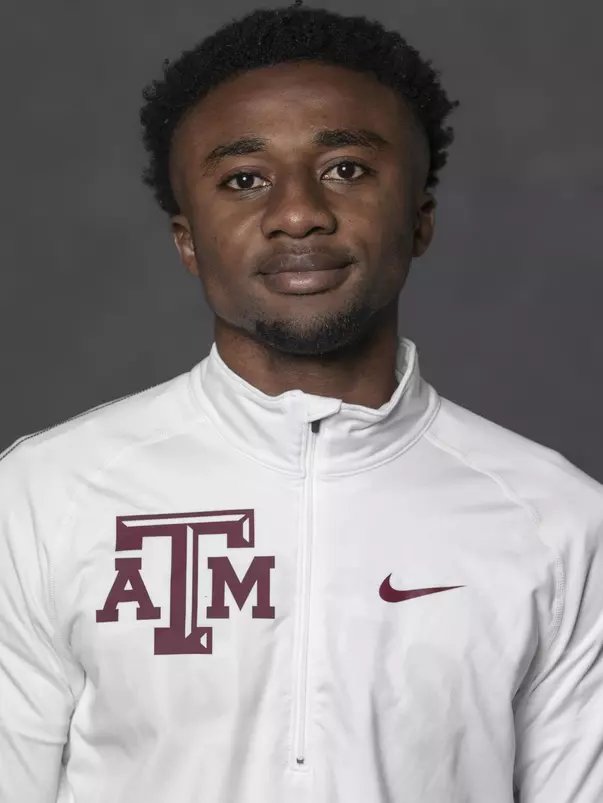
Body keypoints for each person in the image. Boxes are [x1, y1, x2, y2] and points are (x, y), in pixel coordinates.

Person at [1, 2, 602, 801]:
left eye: (346, 168)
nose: (296, 213)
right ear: (187, 239)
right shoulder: (46, 493)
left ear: (419, 218)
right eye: (243, 179)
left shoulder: (557, 518)